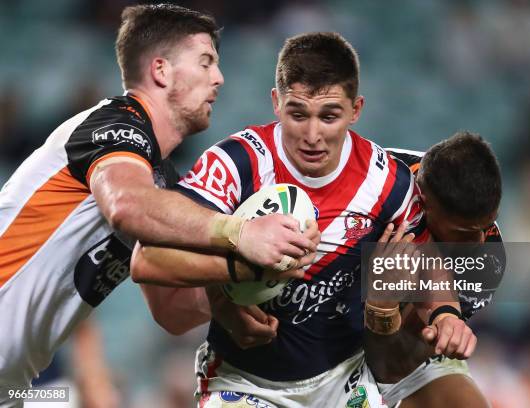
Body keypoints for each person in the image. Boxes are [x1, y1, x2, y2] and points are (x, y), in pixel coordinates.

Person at [131, 32, 475, 407]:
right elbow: (148, 258)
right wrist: (232, 276)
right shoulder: (236, 164)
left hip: (345, 383)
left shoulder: (388, 182)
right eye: (298, 114)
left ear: (356, 109)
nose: (313, 136)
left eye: (329, 116)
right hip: (245, 384)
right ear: (276, 103)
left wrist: (445, 312)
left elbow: (425, 259)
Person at [0, 5, 316, 407]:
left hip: (13, 386)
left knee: (65, 398)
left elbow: (173, 311)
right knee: (76, 398)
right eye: (205, 62)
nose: (218, 78)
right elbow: (125, 205)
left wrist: (235, 288)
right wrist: (239, 232)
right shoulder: (113, 125)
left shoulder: (160, 181)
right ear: (161, 71)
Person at [368, 135, 504, 408]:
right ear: (425, 201)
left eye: (487, 225)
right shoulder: (372, 177)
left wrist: (381, 308)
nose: (479, 241)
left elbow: (390, 367)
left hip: (392, 358)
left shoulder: (487, 260)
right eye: (464, 232)